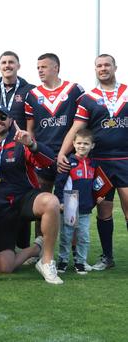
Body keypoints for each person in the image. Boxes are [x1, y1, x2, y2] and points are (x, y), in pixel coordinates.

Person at [57, 54, 128, 271]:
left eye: (107, 65)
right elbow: (77, 128)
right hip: (99, 164)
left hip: (125, 160)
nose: (103, 68)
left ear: (115, 67)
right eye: (99, 66)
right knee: (104, 211)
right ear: (95, 69)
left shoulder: (126, 92)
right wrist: (62, 152)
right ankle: (107, 257)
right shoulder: (88, 98)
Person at [0, 105, 63, 284]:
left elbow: (49, 161)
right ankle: (37, 248)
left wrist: (32, 144)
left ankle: (47, 261)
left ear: (10, 121)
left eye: (3, 117)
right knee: (4, 268)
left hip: (23, 199)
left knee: (51, 202)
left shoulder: (21, 140)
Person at [25, 53, 85, 192]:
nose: (40, 70)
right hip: (42, 155)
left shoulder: (74, 90)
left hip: (68, 156)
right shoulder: (32, 95)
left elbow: (83, 123)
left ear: (56, 68)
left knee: (69, 204)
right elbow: (30, 129)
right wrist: (35, 154)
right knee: (42, 203)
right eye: (38, 67)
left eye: (44, 67)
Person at [55, 129, 103, 274]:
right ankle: (62, 261)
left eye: (86, 143)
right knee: (66, 236)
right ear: (74, 144)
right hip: (70, 204)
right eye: (79, 143)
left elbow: (97, 184)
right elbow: (59, 183)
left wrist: (98, 196)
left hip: (85, 207)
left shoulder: (93, 164)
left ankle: (80, 262)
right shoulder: (68, 162)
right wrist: (60, 201)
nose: (82, 146)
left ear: (92, 146)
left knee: (84, 237)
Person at [0, 51, 35, 130]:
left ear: (18, 66)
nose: (7, 65)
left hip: (20, 140)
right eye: (4, 63)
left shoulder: (31, 90)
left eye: (11, 62)